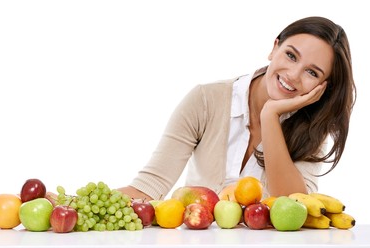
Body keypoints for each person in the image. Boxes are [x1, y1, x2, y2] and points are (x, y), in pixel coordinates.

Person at [119, 16, 356, 202]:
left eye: (312, 72)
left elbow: (295, 205)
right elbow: (150, 187)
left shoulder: (313, 127)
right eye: (291, 55)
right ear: (275, 48)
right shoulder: (205, 100)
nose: (293, 75)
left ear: (324, 87)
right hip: (194, 245)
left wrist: (270, 116)